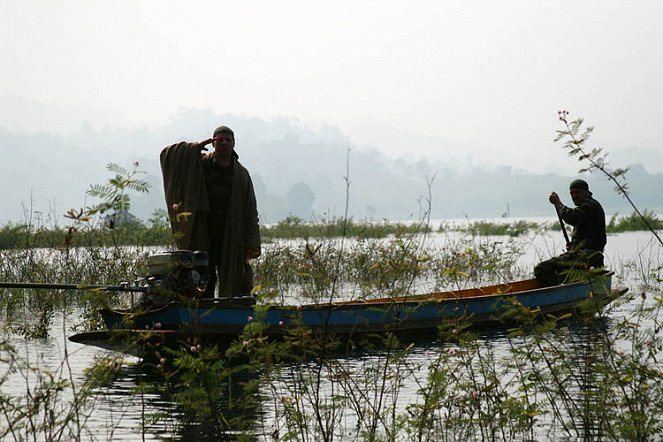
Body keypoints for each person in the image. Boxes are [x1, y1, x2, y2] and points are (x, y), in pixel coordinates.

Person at [160, 125, 261, 297]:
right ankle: (201, 314)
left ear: (234, 143)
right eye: (219, 140)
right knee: (202, 279)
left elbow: (250, 211)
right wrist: (194, 148)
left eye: (227, 140)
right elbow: (167, 155)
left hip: (230, 235)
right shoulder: (200, 165)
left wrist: (251, 243)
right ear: (213, 144)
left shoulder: (242, 175)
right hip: (202, 233)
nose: (224, 143)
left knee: (235, 282)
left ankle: (229, 316)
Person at [534, 179, 606, 286]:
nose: (574, 196)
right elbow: (586, 234)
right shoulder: (586, 207)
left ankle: (560, 290)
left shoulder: (591, 205)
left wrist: (558, 203)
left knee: (541, 269)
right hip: (583, 256)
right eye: (572, 193)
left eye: (578, 192)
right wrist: (573, 246)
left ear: (587, 192)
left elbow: (572, 217)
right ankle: (566, 285)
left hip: (587, 257)